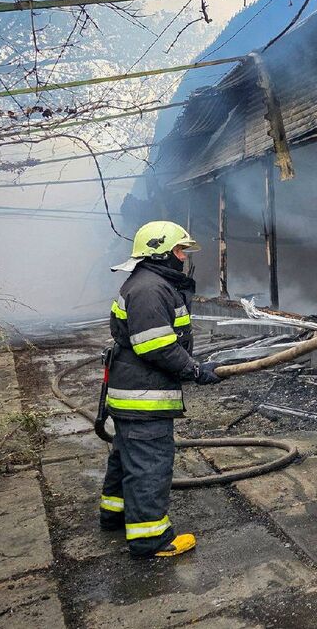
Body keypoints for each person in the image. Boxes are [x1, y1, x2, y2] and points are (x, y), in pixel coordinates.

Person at [98, 221, 224, 557]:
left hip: (133, 392)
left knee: (126, 455)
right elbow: (156, 346)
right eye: (180, 250)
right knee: (150, 464)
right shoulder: (151, 289)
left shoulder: (151, 283)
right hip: (143, 397)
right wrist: (194, 370)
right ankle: (150, 539)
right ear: (162, 252)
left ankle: (114, 513)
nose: (183, 257)